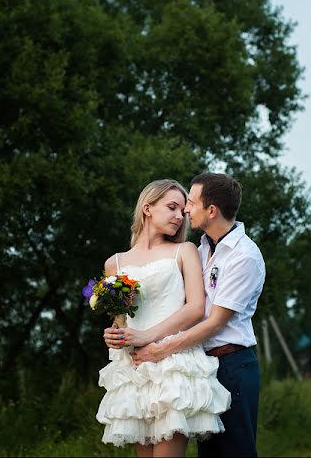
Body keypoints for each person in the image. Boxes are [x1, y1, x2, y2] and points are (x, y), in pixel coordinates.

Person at [128, 173, 265, 457]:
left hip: (232, 366)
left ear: (211, 211)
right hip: (204, 366)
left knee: (236, 452)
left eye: (190, 203)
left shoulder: (244, 257)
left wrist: (159, 350)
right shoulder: (202, 248)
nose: (186, 210)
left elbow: (214, 322)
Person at [96, 179, 232, 457]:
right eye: (171, 207)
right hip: (133, 368)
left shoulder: (185, 251)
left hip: (173, 365)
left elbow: (195, 308)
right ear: (147, 208)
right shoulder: (115, 263)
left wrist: (148, 336)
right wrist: (114, 333)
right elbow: (121, 319)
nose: (178, 216)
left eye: (182, 211)